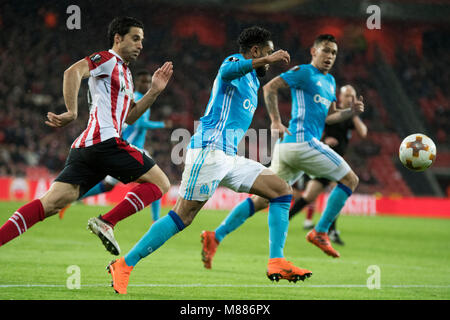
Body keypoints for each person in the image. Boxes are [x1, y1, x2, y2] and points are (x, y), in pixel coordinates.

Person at [106, 26, 313, 294]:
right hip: (208, 151)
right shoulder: (234, 63)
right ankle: (124, 264)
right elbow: (228, 72)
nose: (272, 58)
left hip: (228, 156)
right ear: (256, 51)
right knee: (184, 215)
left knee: (282, 190)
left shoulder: (252, 82)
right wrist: (267, 60)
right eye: (268, 52)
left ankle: (276, 262)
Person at [0, 17, 173, 256]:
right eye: (135, 38)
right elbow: (73, 71)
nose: (140, 45)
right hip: (106, 142)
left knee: (49, 205)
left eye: (142, 41)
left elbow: (130, 117)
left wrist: (154, 92)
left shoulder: (126, 74)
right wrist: (71, 111)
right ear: (117, 38)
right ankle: (107, 222)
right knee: (161, 183)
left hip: (87, 147)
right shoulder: (107, 59)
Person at [200, 34, 364, 268]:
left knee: (261, 200)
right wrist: (276, 120)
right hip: (301, 142)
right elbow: (270, 87)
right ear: (313, 51)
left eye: (334, 53)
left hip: (289, 150)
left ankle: (216, 236)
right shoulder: (305, 72)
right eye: (325, 50)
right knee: (350, 179)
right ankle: (320, 231)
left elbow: (330, 116)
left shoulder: (330, 82)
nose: (329, 56)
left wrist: (350, 112)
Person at [58, 70, 172, 223]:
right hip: (131, 148)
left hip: (128, 147)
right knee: (157, 181)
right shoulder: (138, 99)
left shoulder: (137, 99)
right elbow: (139, 123)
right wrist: (162, 124)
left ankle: (71, 199)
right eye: (143, 81)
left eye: (147, 81)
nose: (146, 84)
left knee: (107, 186)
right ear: (137, 83)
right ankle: (156, 220)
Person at [288, 85, 368, 245]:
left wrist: (353, 115)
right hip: (323, 160)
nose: (350, 99)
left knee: (318, 195)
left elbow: (363, 132)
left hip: (337, 162)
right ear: (340, 97)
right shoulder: (331, 115)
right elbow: (313, 133)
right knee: (323, 193)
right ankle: (325, 230)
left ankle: (327, 230)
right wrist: (325, 142)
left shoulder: (349, 117)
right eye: (347, 96)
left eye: (352, 96)